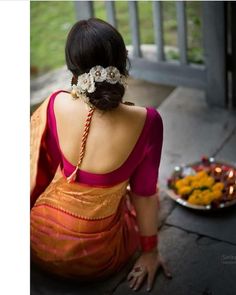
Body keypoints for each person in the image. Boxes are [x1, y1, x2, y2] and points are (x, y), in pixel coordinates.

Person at [30, 18, 172, 292]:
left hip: (39, 240)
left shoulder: (55, 103)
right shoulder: (148, 121)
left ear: (73, 68)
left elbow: (41, 168)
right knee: (153, 194)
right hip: (97, 259)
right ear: (123, 61)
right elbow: (143, 194)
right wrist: (150, 252)